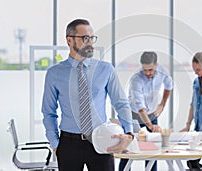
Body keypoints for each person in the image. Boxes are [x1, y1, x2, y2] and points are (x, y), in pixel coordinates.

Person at [41, 19, 134, 171]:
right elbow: (48, 112)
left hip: (102, 140)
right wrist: (55, 144)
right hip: (68, 144)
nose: (90, 42)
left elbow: (121, 103)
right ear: (69, 40)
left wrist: (129, 133)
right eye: (85, 38)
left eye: (91, 38)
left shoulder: (105, 69)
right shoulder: (54, 73)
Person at [119, 51, 173, 171]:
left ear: (156, 65)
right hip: (134, 114)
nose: (147, 73)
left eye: (151, 70)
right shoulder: (136, 80)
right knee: (128, 147)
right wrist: (150, 125)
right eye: (145, 70)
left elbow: (169, 86)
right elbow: (140, 107)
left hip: (152, 113)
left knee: (153, 148)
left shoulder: (163, 72)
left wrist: (162, 105)